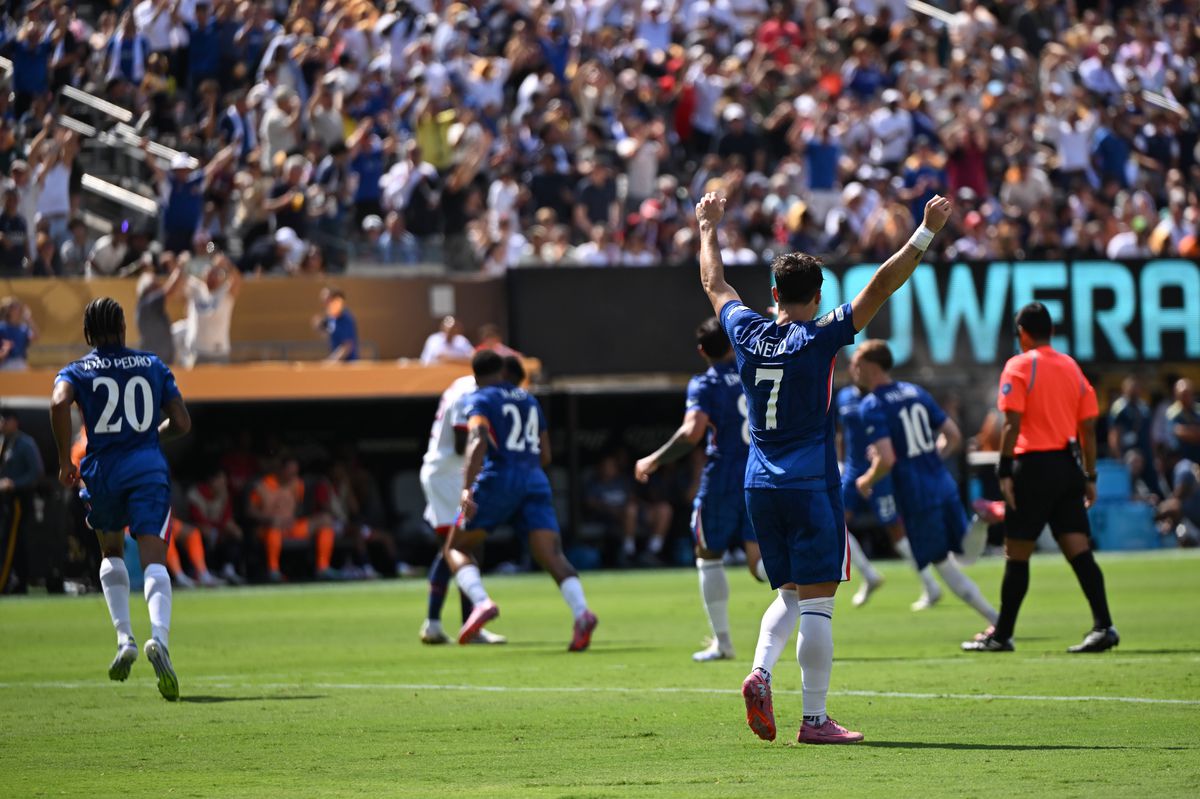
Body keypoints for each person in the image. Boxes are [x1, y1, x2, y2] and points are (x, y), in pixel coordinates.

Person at [694, 190, 952, 744]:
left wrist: (708, 225)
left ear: (773, 294)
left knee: (788, 593)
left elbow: (715, 283)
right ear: (817, 295)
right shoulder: (820, 335)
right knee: (817, 604)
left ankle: (760, 673)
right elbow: (880, 285)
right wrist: (926, 231)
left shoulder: (745, 330)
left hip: (758, 482)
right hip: (810, 482)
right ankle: (814, 720)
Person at [49, 297, 192, 700]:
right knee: (154, 558)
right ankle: (159, 639)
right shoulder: (152, 364)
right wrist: (150, 435)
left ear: (87, 334)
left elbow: (58, 403)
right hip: (147, 467)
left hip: (103, 471)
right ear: (125, 328)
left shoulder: (77, 369)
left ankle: (124, 638)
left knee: (110, 552)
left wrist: (64, 461)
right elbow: (182, 422)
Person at [963, 302, 1116, 654]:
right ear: (1052, 331)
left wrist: (1004, 470)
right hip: (1066, 466)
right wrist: (1089, 475)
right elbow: (1087, 427)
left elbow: (1012, 424)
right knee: (1079, 550)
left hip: (1031, 468)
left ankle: (1002, 635)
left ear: (1022, 333)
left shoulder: (1019, 365)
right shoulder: (1071, 367)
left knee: (1017, 554)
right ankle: (1104, 626)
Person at [635, 317, 767, 662]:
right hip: (762, 471)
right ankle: (809, 588)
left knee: (708, 555)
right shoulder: (756, 370)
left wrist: (654, 459)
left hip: (724, 477)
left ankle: (722, 643)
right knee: (759, 562)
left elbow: (692, 432)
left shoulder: (706, 383)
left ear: (701, 351)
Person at [446, 350, 598, 650]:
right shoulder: (528, 399)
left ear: (475, 374)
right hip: (535, 479)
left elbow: (477, 436)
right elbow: (546, 454)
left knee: (456, 547)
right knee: (552, 554)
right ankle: (582, 612)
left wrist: (466, 487)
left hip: (500, 476)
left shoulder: (480, 398)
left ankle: (481, 602)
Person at [850, 340, 999, 630]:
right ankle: (981, 521)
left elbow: (887, 459)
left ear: (870, 366)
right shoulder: (914, 391)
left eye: (856, 363)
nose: (853, 369)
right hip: (941, 481)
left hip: (916, 494)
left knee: (944, 564)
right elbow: (953, 435)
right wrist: (930, 457)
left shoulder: (872, 404)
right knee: (965, 556)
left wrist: (866, 480)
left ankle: (997, 622)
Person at [417, 364, 509, 646]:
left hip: (447, 474)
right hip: (448, 476)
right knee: (461, 546)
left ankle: (439, 624)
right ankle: (463, 623)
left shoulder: (463, 384)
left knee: (454, 548)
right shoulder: (468, 393)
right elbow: (461, 444)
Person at [836, 381, 943, 611]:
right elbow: (841, 433)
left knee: (894, 528)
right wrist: (841, 462)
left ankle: (930, 584)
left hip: (880, 472)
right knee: (835, 523)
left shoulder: (881, 399)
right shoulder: (843, 396)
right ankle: (869, 575)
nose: (856, 370)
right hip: (852, 471)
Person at [248, 455, 339, 582]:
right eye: (290, 472)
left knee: (325, 520)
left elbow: (298, 508)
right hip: (268, 528)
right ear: (281, 470)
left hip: (291, 526)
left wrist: (292, 518)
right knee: (275, 525)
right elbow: (250, 511)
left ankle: (323, 568)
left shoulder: (297, 484)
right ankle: (273, 570)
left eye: (295, 472)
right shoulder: (263, 485)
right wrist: (270, 519)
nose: (293, 476)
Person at [0, 409, 45, 594]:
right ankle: (13, 581)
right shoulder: (5, 442)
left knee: (13, 542)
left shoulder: (25, 443)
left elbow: (36, 472)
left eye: (4, 421)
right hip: (5, 503)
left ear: (14, 422)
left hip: (18, 502)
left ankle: (9, 582)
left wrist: (14, 484)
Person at [180, 250, 242, 367]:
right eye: (209, 273)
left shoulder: (224, 293)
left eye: (215, 273)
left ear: (221, 277)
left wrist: (227, 264)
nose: (211, 276)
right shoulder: (196, 289)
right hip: (197, 352)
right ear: (203, 275)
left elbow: (237, 281)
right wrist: (182, 264)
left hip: (219, 352)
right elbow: (181, 280)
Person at [313, 288, 358, 363]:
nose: (329, 306)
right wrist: (319, 326)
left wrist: (332, 360)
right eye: (328, 303)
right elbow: (326, 332)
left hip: (349, 364)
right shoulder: (330, 318)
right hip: (337, 364)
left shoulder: (346, 319)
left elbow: (347, 346)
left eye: (333, 302)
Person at [0, 298, 37, 371]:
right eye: (14, 308)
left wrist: (29, 319)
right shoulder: (2, 327)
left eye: (18, 308)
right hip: (5, 363)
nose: (17, 311)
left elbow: (35, 336)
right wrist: (4, 351)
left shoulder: (23, 328)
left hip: (20, 362)